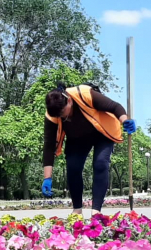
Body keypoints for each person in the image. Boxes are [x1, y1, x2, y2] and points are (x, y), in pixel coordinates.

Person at [42, 84, 136, 214]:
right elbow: (48, 146)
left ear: (69, 100)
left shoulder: (85, 94)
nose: (62, 118)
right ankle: (77, 210)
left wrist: (125, 121)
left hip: (102, 132)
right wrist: (47, 178)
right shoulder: (53, 113)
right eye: (59, 116)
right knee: (73, 167)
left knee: (100, 163)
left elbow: (115, 107)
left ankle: (96, 211)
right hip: (77, 139)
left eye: (63, 113)